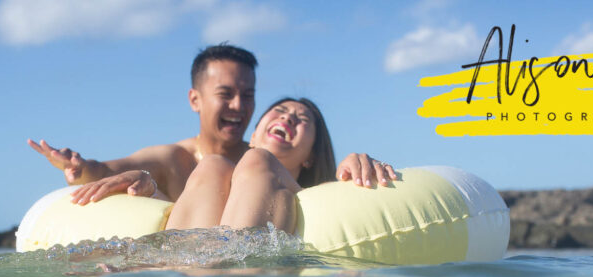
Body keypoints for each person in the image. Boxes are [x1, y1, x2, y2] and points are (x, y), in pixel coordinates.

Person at [28, 44, 393, 204]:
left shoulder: (266, 158)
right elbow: (111, 170)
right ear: (195, 99)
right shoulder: (175, 158)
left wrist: (356, 163)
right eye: (226, 94)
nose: (239, 106)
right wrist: (80, 168)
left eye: (248, 95)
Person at [166, 97, 394, 235]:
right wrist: (143, 184)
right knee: (213, 164)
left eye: (302, 120)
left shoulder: (320, 195)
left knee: (258, 160)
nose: (287, 119)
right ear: (253, 136)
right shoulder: (209, 170)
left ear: (311, 156)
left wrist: (356, 170)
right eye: (280, 112)